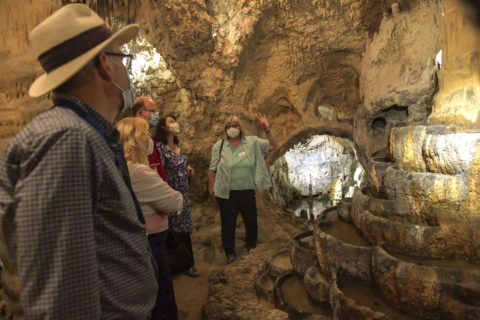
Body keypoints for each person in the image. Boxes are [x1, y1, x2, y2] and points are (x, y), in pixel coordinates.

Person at [0, 4, 158, 319]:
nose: (127, 70)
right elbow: (61, 297)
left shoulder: (83, 134)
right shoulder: (68, 140)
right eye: (123, 58)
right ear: (105, 64)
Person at [117, 117, 183, 320]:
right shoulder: (138, 172)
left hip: (131, 239)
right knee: (160, 293)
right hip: (150, 241)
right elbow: (174, 202)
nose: (149, 138)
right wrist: (174, 196)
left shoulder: (118, 167)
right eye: (146, 133)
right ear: (135, 139)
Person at [208, 114, 278, 264]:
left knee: (251, 221)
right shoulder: (219, 146)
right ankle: (230, 253)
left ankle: (251, 247)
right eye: (229, 126)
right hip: (227, 193)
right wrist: (211, 189)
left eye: (235, 125)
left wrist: (267, 128)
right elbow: (212, 169)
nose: (232, 128)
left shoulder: (251, 142)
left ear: (241, 128)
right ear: (225, 129)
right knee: (228, 224)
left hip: (246, 190)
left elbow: (273, 145)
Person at [154, 115, 198, 277]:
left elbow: (181, 163)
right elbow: (160, 172)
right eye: (171, 121)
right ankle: (178, 266)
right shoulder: (160, 148)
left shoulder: (177, 145)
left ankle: (188, 263)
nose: (175, 124)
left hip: (184, 195)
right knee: (174, 233)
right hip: (171, 195)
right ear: (164, 128)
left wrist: (188, 169)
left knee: (184, 231)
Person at [131, 97, 167, 180]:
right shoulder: (135, 135)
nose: (157, 114)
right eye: (153, 111)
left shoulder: (147, 133)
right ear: (140, 112)